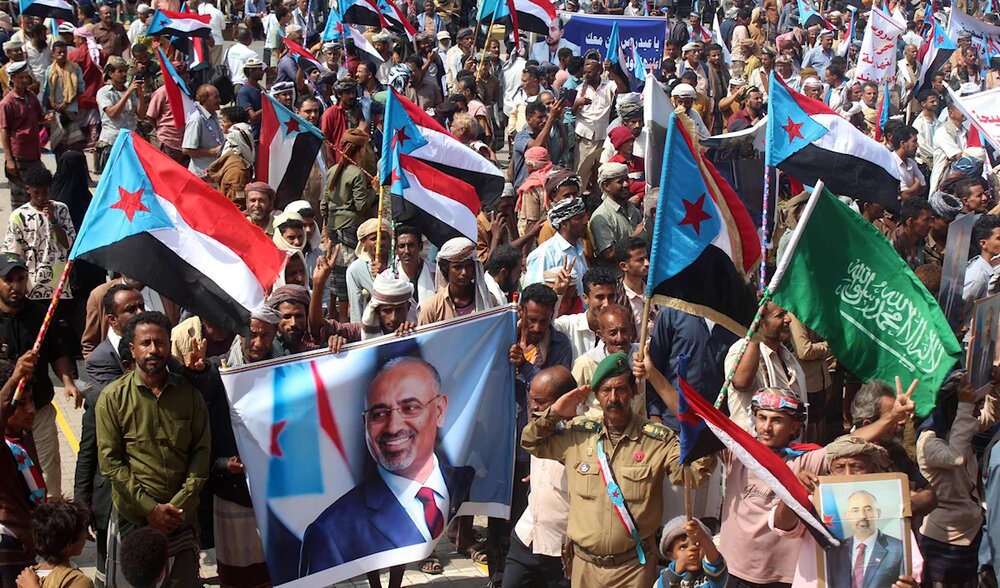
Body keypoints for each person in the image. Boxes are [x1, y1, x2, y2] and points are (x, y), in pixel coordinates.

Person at [522, 352, 715, 587]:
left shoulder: (657, 440)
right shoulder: (577, 435)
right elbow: (531, 442)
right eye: (605, 390)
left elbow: (695, 475)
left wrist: (694, 429)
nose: (613, 398)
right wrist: (555, 412)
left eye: (621, 389)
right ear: (596, 395)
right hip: (584, 567)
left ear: (633, 391)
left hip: (633, 569)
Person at [298, 357, 476, 575]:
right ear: (365, 424)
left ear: (439, 410)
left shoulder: (465, 480)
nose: (393, 427)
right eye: (379, 414)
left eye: (410, 408)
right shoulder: (329, 532)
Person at [96, 311, 210, 587]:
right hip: (134, 518)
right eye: (145, 343)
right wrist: (150, 509)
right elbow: (111, 463)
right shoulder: (112, 398)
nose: (153, 350)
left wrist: (178, 504)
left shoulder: (189, 394)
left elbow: (201, 451)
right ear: (132, 348)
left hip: (181, 517)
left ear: (169, 346)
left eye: (159, 343)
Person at [182, 305, 281, 588]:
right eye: (251, 334)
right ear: (239, 333)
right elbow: (202, 384)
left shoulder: (286, 367)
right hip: (232, 489)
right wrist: (196, 371)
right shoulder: (219, 368)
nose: (257, 343)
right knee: (238, 572)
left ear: (275, 335)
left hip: (274, 489)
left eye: (265, 335)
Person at [76, 284, 145, 586]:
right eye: (130, 309)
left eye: (141, 306)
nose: (139, 313)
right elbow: (89, 447)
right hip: (113, 493)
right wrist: (82, 503)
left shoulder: (156, 352)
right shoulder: (101, 359)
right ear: (112, 319)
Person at [0, 253, 80, 501]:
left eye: (21, 279)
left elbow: (57, 352)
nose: (16, 286)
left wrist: (67, 381)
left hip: (39, 411)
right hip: (4, 415)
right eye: (9, 280)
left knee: (47, 480)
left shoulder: (40, 316)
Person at [501, 366, 573, 588]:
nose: (533, 406)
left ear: (564, 400)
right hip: (526, 537)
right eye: (531, 399)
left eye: (541, 402)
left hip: (562, 549)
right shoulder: (536, 430)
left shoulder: (583, 437)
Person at [725, 301, 806, 433]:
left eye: (786, 313)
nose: (788, 319)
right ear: (761, 322)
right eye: (780, 315)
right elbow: (740, 383)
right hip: (751, 442)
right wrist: (755, 335)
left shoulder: (786, 355)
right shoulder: (742, 349)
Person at [3, 166, 76, 303]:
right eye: (36, 192)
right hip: (31, 288)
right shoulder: (19, 216)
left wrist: (53, 220)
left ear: (50, 189)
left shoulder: (61, 210)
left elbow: (68, 244)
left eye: (45, 192)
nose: (41, 197)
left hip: (58, 288)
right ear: (28, 189)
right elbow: (12, 254)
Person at [0, 352, 42, 587]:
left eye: (32, 401)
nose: (31, 410)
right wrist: (14, 379)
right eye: (21, 404)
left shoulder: (23, 437)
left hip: (29, 542)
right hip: (8, 545)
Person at [826, 491, 906, 588]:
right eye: (855, 510)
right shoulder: (834, 551)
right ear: (847, 516)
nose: (862, 516)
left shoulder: (899, 548)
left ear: (878, 513)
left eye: (868, 509)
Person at [419, 236, 499, 324]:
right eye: (458, 267)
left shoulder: (489, 300)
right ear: (446, 270)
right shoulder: (432, 309)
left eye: (468, 266)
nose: (464, 272)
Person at [14, 499, 93, 588]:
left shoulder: (27, 577)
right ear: (68, 545)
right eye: (84, 530)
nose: (86, 536)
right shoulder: (78, 582)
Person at [0, 61, 45, 210]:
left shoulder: (31, 96)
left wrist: (47, 119)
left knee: (38, 194)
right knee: (20, 199)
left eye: (26, 77)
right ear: (12, 78)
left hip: (35, 154)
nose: (25, 80)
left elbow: (39, 117)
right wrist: (9, 160)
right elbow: (4, 130)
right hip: (19, 156)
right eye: (21, 77)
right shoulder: (7, 102)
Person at [574, 59, 621, 193]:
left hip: (602, 136)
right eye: (585, 72)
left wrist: (611, 71)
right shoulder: (580, 89)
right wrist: (578, 103)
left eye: (589, 72)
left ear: (598, 71)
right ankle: (578, 196)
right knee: (581, 171)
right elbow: (572, 112)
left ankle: (596, 197)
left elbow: (622, 90)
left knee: (600, 171)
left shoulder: (608, 85)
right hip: (585, 137)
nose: (586, 75)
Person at [525, 197, 589, 297]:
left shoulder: (579, 248)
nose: (585, 221)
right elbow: (535, 297)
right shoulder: (544, 254)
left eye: (584, 216)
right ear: (564, 223)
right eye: (579, 218)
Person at [96, 55, 145, 173]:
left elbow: (141, 115)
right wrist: (127, 93)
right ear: (111, 73)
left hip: (130, 141)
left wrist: (140, 95)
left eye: (125, 71)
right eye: (120, 71)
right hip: (112, 142)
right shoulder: (104, 92)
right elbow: (112, 113)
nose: (124, 74)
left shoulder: (129, 90)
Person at [589, 162, 643, 265]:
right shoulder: (601, 217)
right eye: (620, 182)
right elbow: (609, 254)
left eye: (626, 180)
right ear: (606, 186)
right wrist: (635, 236)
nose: (626, 184)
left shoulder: (633, 209)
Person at [655, 517, 728, 588]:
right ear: (670, 555)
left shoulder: (711, 575)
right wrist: (680, 565)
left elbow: (715, 562)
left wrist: (702, 536)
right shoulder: (665, 578)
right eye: (683, 547)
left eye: (698, 544)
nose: (692, 550)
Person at [346, 218, 392, 323]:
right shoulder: (355, 270)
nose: (379, 242)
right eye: (374, 239)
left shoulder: (399, 263)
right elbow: (356, 307)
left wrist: (385, 274)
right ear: (363, 242)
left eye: (383, 238)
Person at [146, 60, 191, 167]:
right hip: (168, 140)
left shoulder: (187, 91)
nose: (186, 76)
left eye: (185, 73)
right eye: (182, 74)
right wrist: (161, 128)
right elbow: (151, 115)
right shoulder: (161, 92)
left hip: (185, 142)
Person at [182, 84, 224, 176]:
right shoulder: (196, 120)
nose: (219, 100)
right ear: (204, 101)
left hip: (215, 171)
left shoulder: (214, 115)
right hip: (202, 174)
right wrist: (212, 152)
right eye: (215, 97)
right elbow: (186, 150)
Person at [963, 214, 1000, 306]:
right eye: (999, 239)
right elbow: (958, 311)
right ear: (983, 243)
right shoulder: (976, 279)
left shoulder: (994, 269)